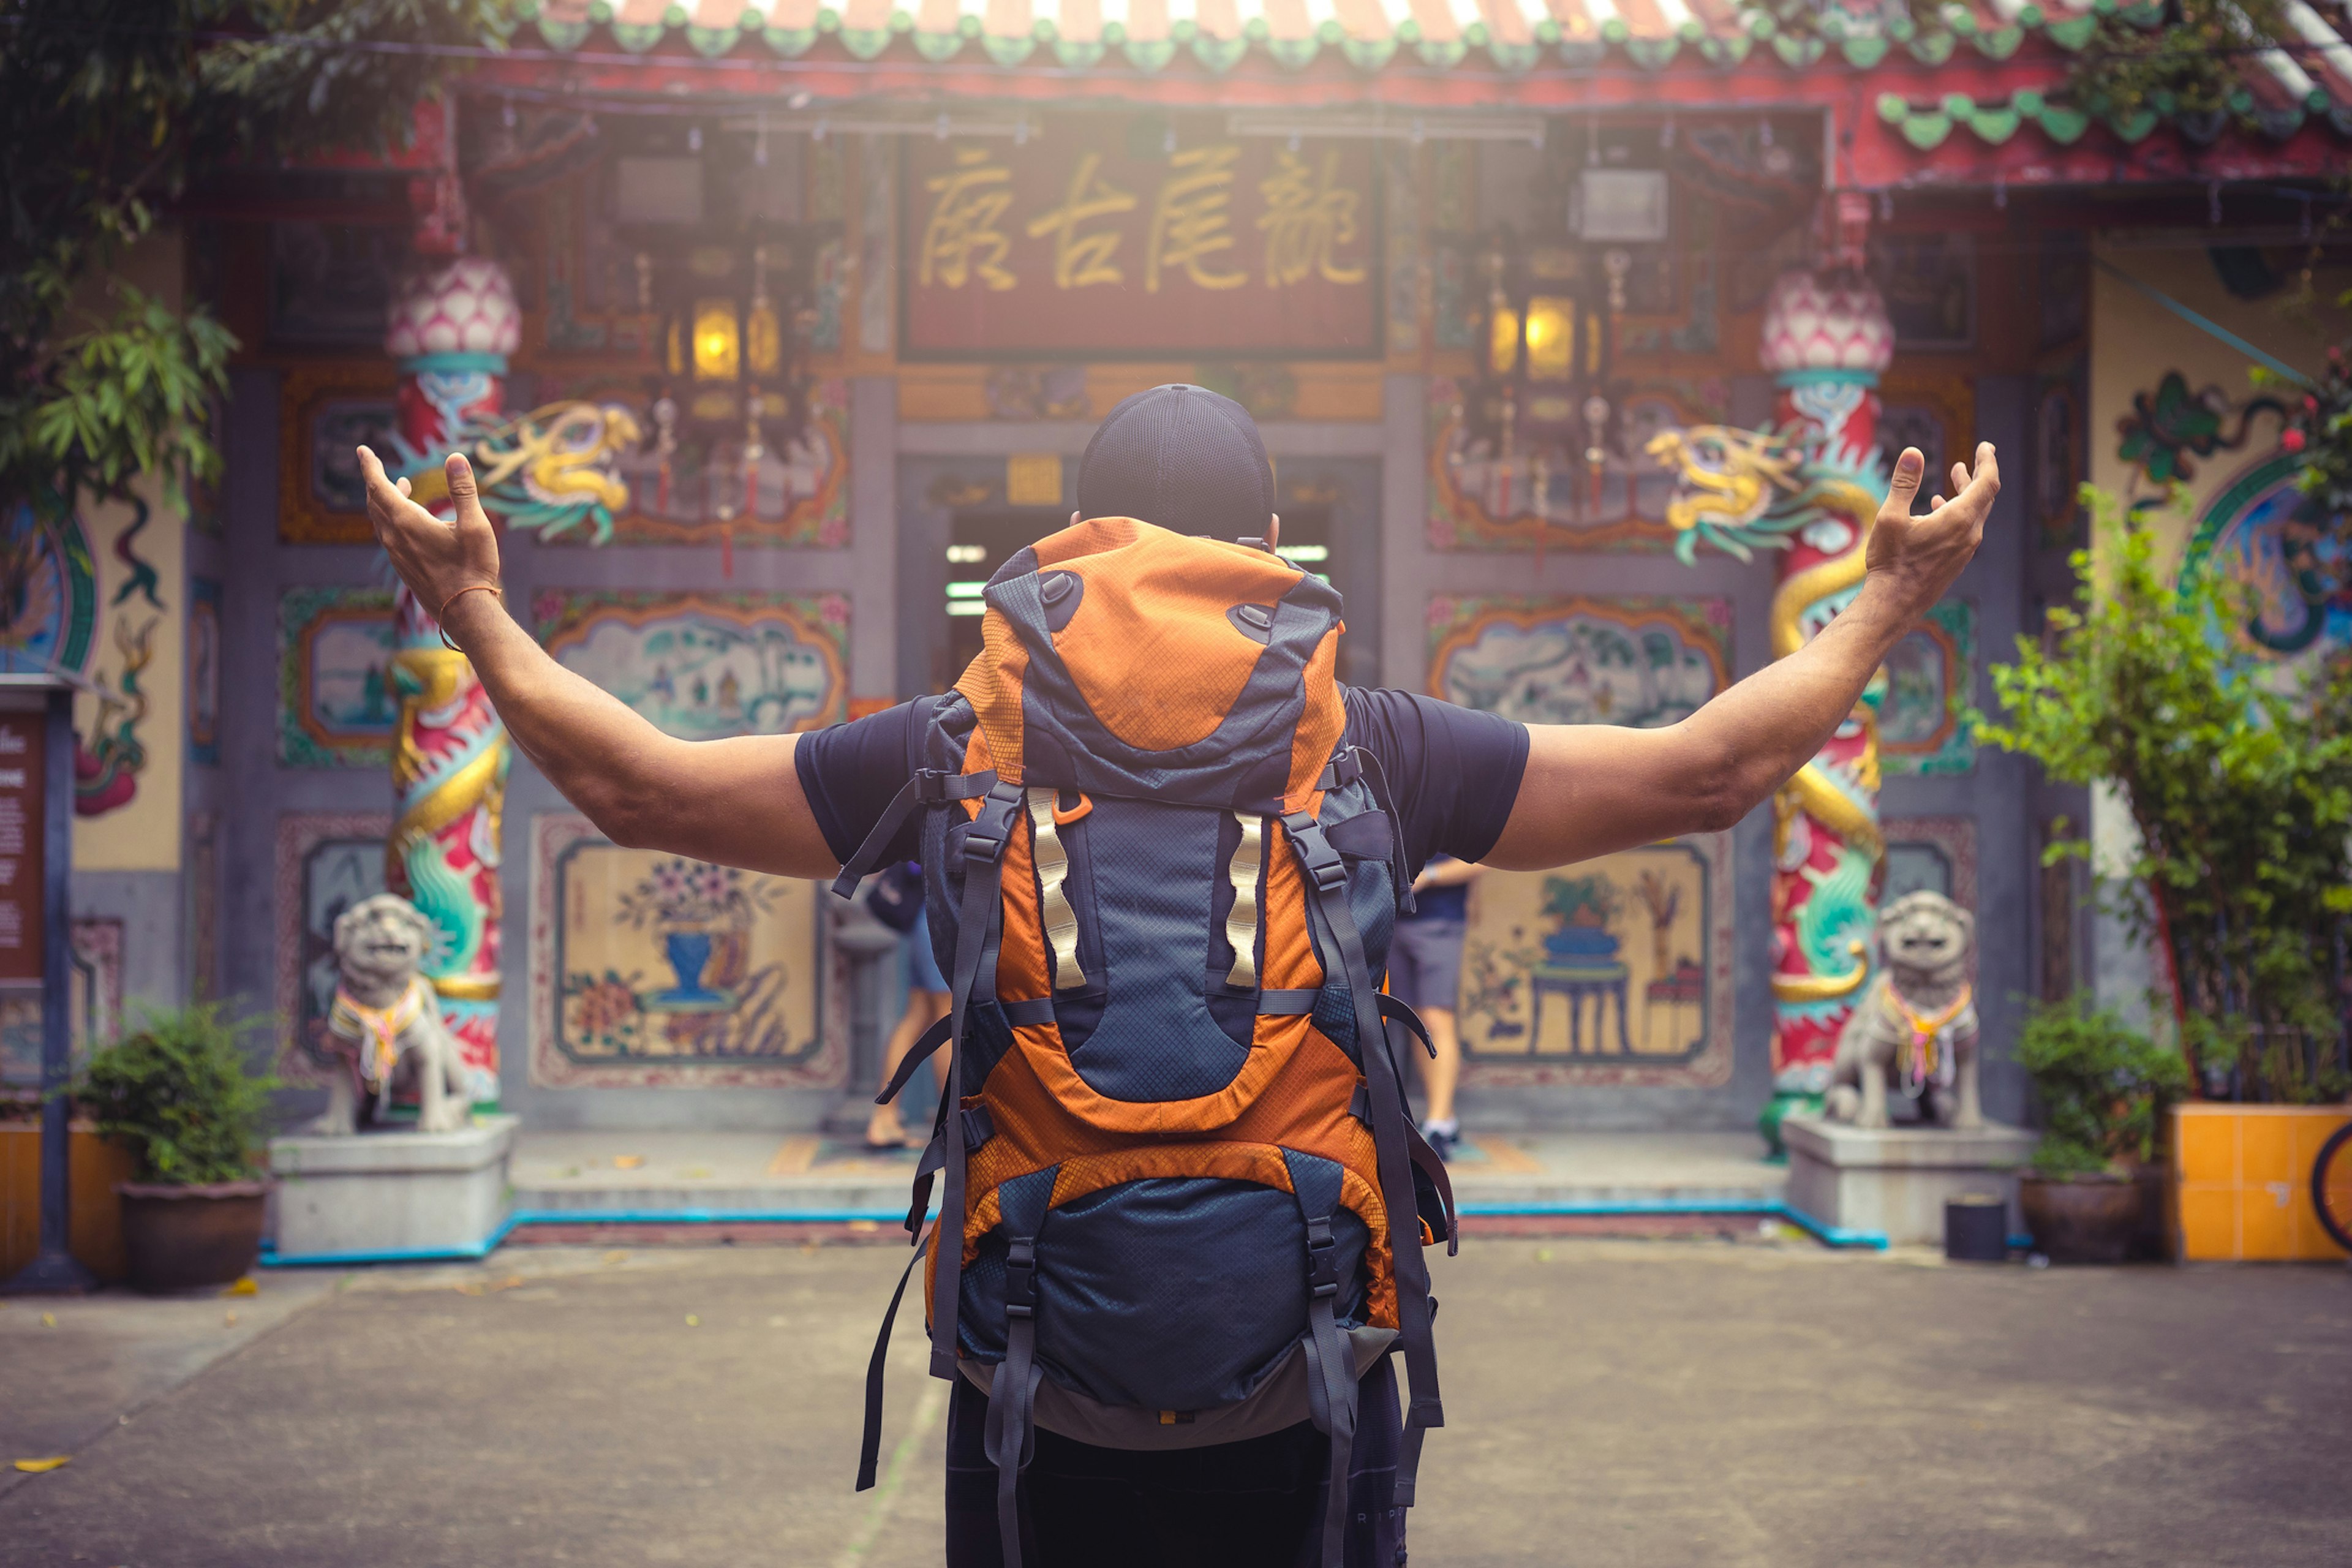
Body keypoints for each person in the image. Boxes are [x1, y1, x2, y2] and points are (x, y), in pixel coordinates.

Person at [358, 382, 1997, 1568]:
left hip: (1033, 1362)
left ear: (1074, 539)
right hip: (1307, 1359)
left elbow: (637, 786)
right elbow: (1702, 773)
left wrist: (481, 609)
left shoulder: (946, 749)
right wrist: (1884, 607)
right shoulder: (1380, 749)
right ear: (1275, 544)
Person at [1392, 854, 1483, 1159]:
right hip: (1393, 920)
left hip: (1440, 921)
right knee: (1415, 1022)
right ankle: (1443, 1118)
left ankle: (1439, 1125)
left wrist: (1428, 875)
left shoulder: (1464, 806)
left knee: (1435, 1016)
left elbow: (1483, 860)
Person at [866, 867, 951, 1152]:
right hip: (940, 915)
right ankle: (953, 1127)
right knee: (948, 1018)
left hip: (926, 916)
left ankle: (885, 1118)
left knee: (919, 1015)